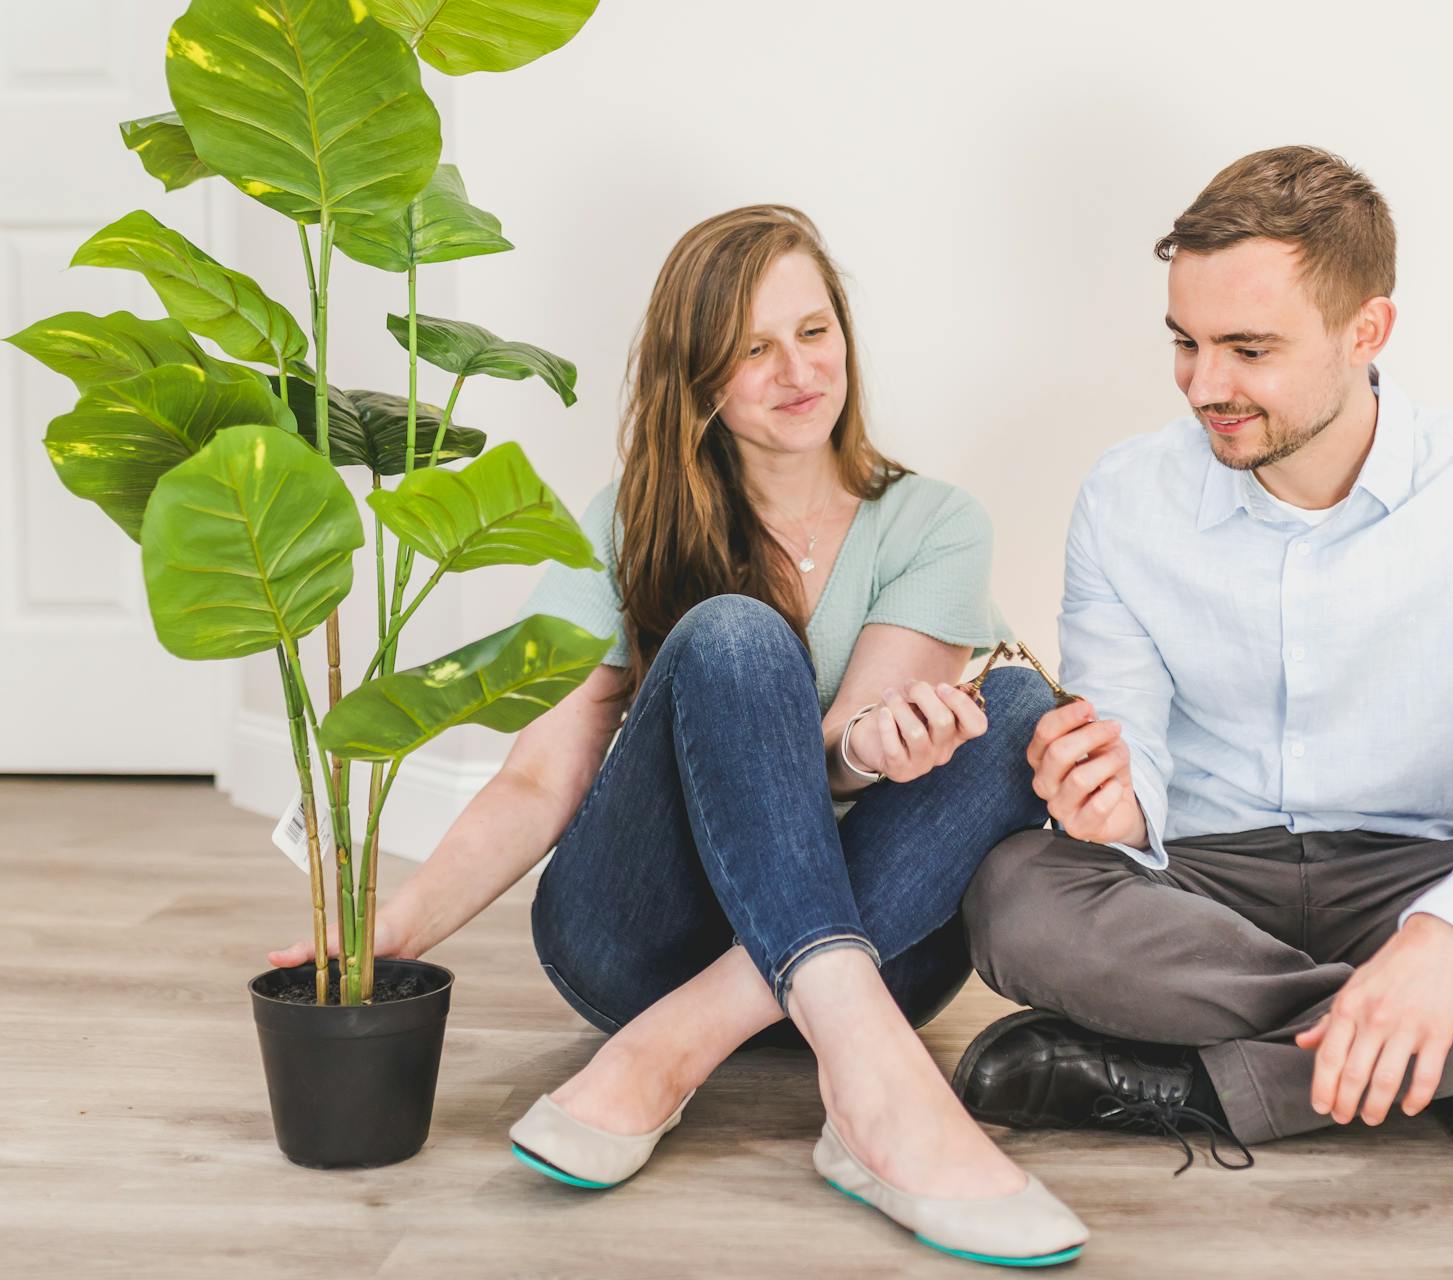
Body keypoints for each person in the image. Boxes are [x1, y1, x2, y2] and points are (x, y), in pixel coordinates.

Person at [271, 206, 1087, 1266]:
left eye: (813, 330)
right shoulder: (622, 523)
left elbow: (844, 742)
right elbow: (539, 777)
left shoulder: (934, 520)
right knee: (735, 636)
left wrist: (878, 751)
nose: (797, 369)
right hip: (638, 940)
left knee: (1022, 710)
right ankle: (876, 1099)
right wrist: (401, 922)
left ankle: (674, 1047)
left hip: (874, 948)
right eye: (752, 349)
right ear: (697, 378)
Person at [952, 147, 1453, 1167]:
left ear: (1366, 331)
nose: (1204, 384)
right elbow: (1129, 740)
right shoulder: (1124, 496)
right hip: (1204, 887)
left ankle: (1194, 1083)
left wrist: (1447, 939)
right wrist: (1116, 794)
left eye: (1247, 347)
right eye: (1184, 342)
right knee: (1016, 892)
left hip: (1425, 869)